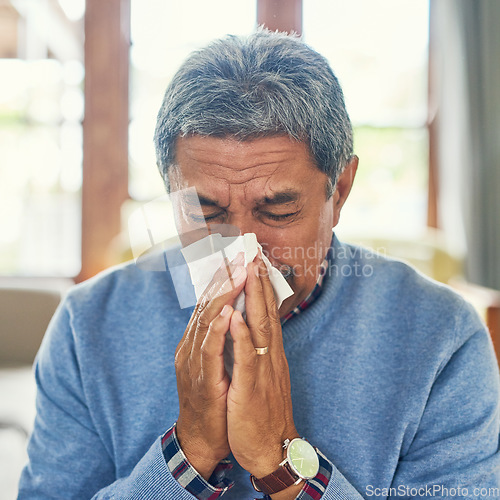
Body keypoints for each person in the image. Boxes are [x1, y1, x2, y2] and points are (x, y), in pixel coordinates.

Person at [18, 29, 500, 500]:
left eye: (279, 212)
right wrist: (188, 454)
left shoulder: (442, 339)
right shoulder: (88, 327)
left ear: (342, 191)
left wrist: (281, 462)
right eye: (206, 213)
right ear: (170, 192)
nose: (242, 250)